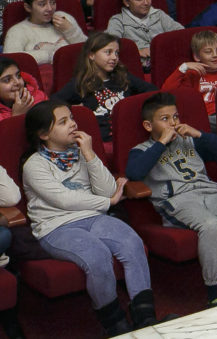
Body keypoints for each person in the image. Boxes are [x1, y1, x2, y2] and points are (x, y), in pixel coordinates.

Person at [22, 100, 167, 334]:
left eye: (71, 118)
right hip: (56, 227)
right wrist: (107, 203)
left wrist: (89, 154)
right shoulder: (34, 165)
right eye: (63, 121)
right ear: (43, 134)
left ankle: (145, 319)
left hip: (94, 217)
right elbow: (64, 200)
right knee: (97, 256)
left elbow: (108, 189)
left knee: (132, 243)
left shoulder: (80, 153)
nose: (72, 124)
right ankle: (116, 326)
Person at [125, 92, 217, 308]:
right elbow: (134, 172)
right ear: (148, 126)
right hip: (178, 199)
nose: (173, 123)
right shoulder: (142, 150)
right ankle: (215, 290)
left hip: (209, 192)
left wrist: (199, 135)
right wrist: (161, 143)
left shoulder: (190, 140)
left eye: (175, 117)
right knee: (211, 226)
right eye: (165, 119)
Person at [54, 32, 155, 142]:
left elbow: (152, 91)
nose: (114, 57)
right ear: (91, 55)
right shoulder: (80, 83)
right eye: (108, 52)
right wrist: (76, 110)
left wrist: (134, 106)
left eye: (117, 53)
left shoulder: (124, 77)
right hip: (103, 139)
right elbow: (53, 103)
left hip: (130, 132)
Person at [6, 0, 88, 76]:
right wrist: (49, 55)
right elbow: (11, 61)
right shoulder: (18, 31)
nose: (50, 8)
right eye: (42, 4)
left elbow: (90, 50)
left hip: (79, 74)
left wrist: (70, 30)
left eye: (53, 2)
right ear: (28, 7)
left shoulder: (62, 18)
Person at [106, 0, 184, 71]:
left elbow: (180, 33)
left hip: (165, 62)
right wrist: (137, 52)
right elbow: (110, 45)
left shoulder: (159, 14)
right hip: (136, 68)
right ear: (126, 2)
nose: (146, 3)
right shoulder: (118, 21)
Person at [0, 56, 47, 121]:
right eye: (7, 80)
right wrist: (17, 116)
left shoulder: (37, 96)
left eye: (18, 76)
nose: (17, 82)